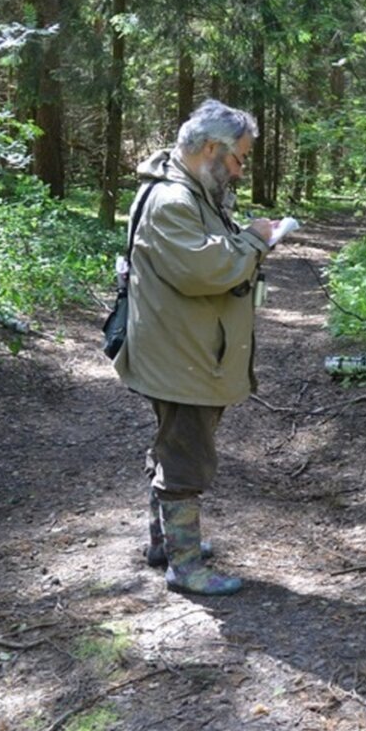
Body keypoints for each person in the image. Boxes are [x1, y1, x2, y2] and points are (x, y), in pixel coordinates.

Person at [113, 99, 277, 596]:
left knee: (173, 446)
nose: (240, 170)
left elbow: (208, 254)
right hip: (181, 356)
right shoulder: (174, 201)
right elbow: (205, 270)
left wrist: (245, 239)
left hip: (184, 350)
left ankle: (165, 542)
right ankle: (185, 567)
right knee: (185, 457)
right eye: (238, 158)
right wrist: (254, 242)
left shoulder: (190, 190)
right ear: (210, 148)